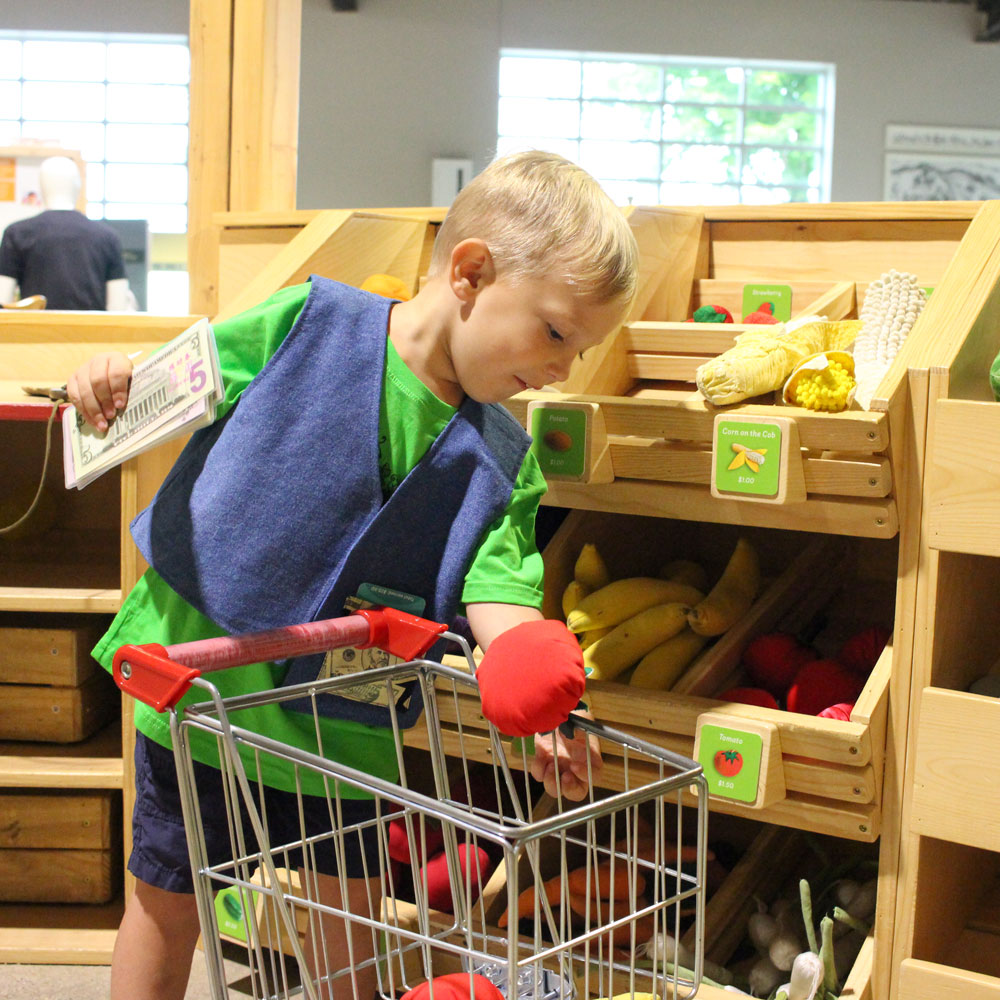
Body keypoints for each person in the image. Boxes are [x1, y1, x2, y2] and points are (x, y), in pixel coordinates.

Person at [66, 150, 639, 1000]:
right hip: (196, 688)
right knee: (166, 901)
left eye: (581, 350)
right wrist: (107, 382)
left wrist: (545, 695)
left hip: (341, 724)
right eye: (556, 332)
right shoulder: (309, 321)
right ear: (471, 271)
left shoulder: (507, 465)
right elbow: (174, 385)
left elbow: (499, 596)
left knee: (354, 934)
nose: (564, 369)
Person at [0, 155, 130, 310]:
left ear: (41, 187)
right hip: (91, 333)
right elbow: (118, 308)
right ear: (78, 186)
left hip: (38, 332)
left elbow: (3, 302)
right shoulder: (107, 237)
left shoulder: (17, 233)